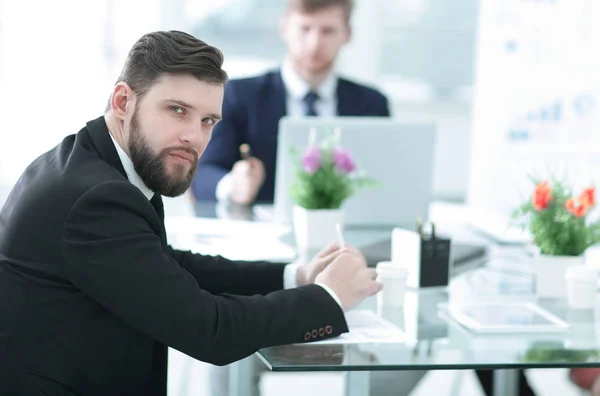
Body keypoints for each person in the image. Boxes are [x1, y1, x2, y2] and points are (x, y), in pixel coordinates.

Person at [0, 30, 383, 396]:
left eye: (207, 121)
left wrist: (293, 276)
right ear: (122, 101)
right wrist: (329, 298)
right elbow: (211, 330)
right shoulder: (95, 199)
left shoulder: (97, 165)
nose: (195, 137)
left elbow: (166, 265)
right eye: (177, 110)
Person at [191, 0, 390, 205]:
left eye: (328, 31)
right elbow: (204, 173)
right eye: (305, 28)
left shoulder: (371, 104)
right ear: (284, 27)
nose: (314, 43)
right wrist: (232, 185)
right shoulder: (240, 95)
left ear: (347, 34)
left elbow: (385, 179)